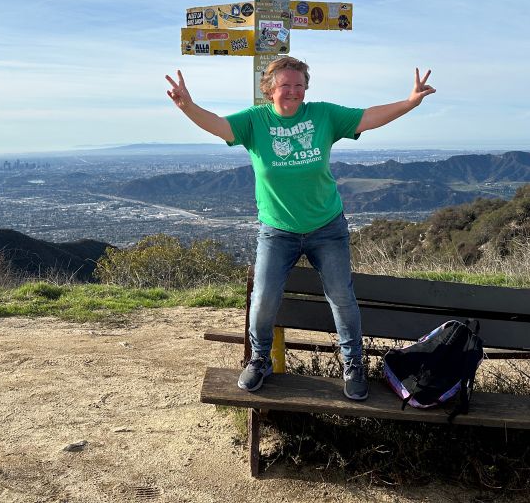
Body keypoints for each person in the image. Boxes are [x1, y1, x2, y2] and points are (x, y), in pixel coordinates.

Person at [165, 55, 435, 400]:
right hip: (277, 230)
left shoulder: (323, 115)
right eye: (285, 85)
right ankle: (259, 359)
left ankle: (353, 364)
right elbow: (218, 125)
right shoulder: (254, 121)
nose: (293, 91)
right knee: (263, 297)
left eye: (299, 85)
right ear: (269, 89)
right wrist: (187, 106)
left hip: (327, 227)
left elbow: (368, 117)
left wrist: (410, 103)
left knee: (341, 297)